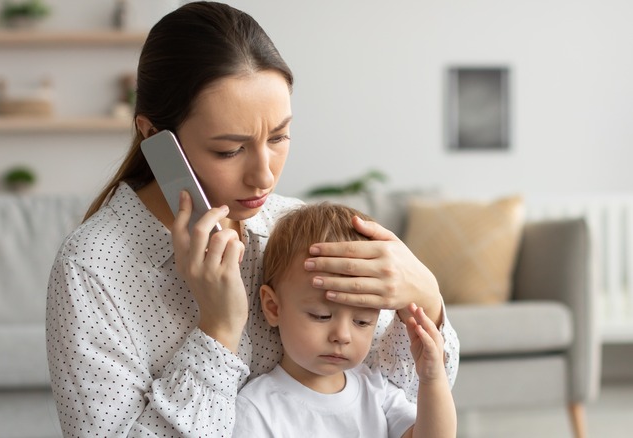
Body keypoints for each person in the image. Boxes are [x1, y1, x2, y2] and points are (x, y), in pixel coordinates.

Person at [45, 2, 459, 436]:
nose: (265, 175)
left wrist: (428, 300)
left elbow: (389, 403)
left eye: (279, 137)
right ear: (155, 137)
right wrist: (218, 329)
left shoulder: (297, 229)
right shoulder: (92, 269)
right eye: (229, 150)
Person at [233, 203, 457, 437]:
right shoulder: (255, 409)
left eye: (362, 322)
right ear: (273, 307)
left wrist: (432, 380)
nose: (342, 335)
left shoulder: (377, 392)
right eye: (321, 316)